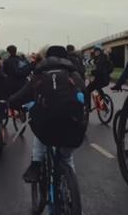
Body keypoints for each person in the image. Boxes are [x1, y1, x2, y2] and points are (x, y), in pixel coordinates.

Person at [8, 45, 88, 182]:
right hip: (73, 124)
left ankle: (36, 163)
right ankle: (70, 189)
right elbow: (85, 96)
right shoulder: (74, 74)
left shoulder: (38, 75)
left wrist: (12, 103)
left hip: (46, 125)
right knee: (67, 158)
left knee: (39, 125)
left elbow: (21, 96)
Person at [85, 45, 113, 112]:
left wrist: (91, 73)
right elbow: (109, 69)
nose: (96, 52)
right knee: (97, 88)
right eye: (95, 51)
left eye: (97, 51)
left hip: (101, 80)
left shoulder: (100, 58)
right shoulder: (103, 57)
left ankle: (88, 107)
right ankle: (104, 100)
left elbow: (99, 70)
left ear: (99, 51)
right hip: (104, 79)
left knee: (87, 90)